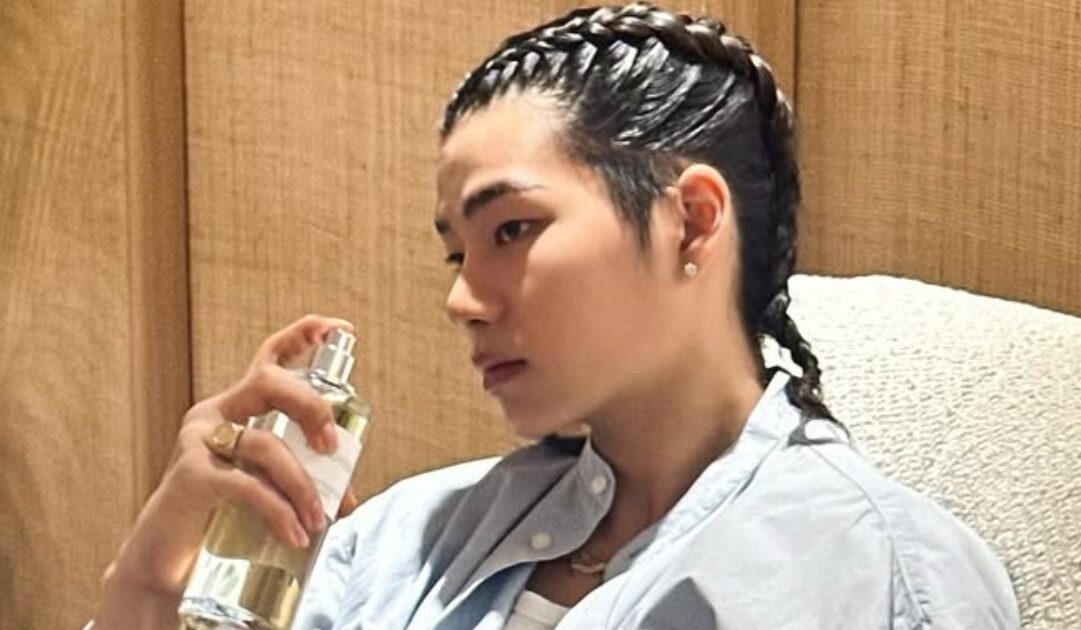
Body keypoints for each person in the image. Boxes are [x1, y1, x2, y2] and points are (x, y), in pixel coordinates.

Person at [91, 3, 1020, 628]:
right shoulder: (398, 544)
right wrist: (150, 574)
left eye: (512, 230)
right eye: (458, 253)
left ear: (692, 222)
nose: (461, 298)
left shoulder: (883, 577)